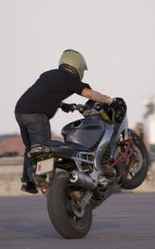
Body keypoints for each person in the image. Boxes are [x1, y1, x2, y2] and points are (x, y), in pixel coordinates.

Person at [15, 49, 114, 194]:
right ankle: (41, 177)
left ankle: (27, 181)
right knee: (43, 150)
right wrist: (109, 100)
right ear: (78, 65)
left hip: (20, 111)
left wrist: (63, 105)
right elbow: (90, 94)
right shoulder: (70, 78)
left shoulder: (49, 74)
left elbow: (43, 93)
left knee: (31, 148)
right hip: (36, 115)